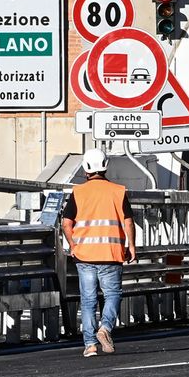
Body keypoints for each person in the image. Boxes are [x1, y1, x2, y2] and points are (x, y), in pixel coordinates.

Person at [61, 148, 136, 357]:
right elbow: (128, 221)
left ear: (85, 168)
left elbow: (66, 223)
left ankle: (90, 345)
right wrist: (131, 246)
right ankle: (105, 328)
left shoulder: (78, 192)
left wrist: (74, 246)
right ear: (105, 166)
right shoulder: (118, 191)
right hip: (111, 254)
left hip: (85, 255)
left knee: (88, 300)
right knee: (112, 295)